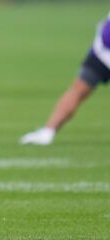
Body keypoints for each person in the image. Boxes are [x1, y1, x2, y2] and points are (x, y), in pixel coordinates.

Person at [21, 12, 110, 145]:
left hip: (103, 48)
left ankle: (48, 132)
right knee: (79, 89)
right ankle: (48, 132)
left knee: (78, 90)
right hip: (104, 48)